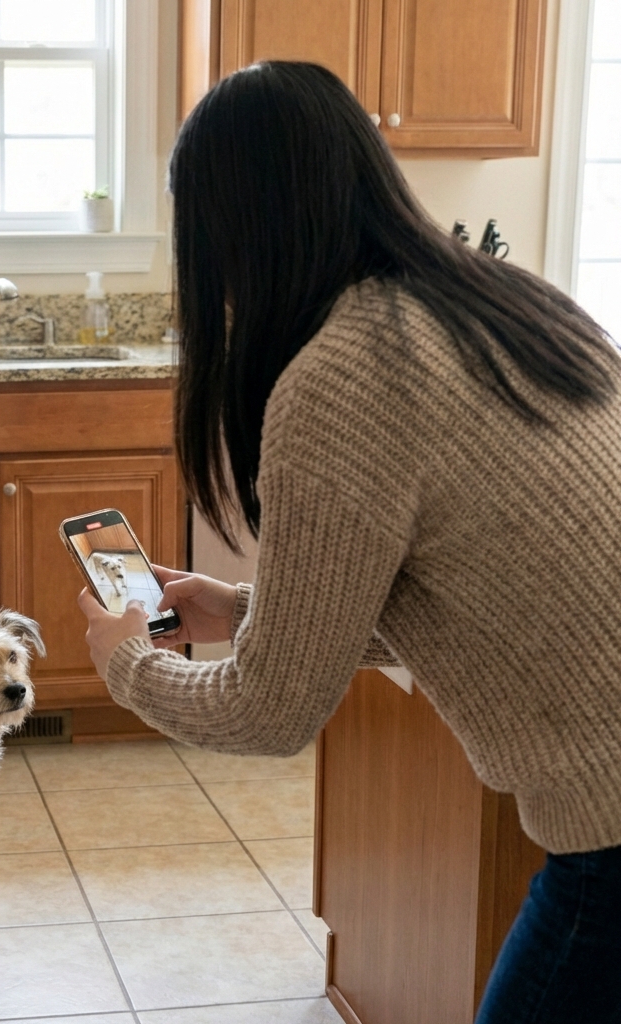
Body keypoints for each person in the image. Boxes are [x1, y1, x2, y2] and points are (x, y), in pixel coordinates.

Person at [76, 61, 621, 1024]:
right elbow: (478, 587)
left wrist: (128, 665)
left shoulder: (345, 378)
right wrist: (242, 609)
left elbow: (272, 711)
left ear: (231, 232)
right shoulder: (508, 301)